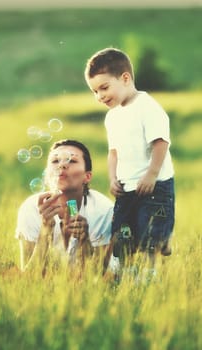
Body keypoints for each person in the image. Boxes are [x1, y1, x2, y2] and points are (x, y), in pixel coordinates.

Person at [84, 48, 175, 277]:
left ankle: (150, 272)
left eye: (104, 88)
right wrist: (113, 178)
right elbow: (113, 152)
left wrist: (152, 174)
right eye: (95, 91)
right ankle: (123, 273)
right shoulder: (112, 116)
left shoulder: (147, 107)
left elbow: (160, 142)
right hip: (126, 188)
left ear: (125, 78)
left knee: (149, 231)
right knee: (122, 233)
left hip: (154, 186)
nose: (100, 96)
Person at [15, 139, 115, 277]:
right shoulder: (31, 208)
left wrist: (84, 242)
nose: (62, 165)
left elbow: (96, 277)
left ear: (87, 176)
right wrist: (45, 230)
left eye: (72, 161)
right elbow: (29, 277)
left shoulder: (103, 210)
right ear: (47, 175)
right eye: (55, 161)